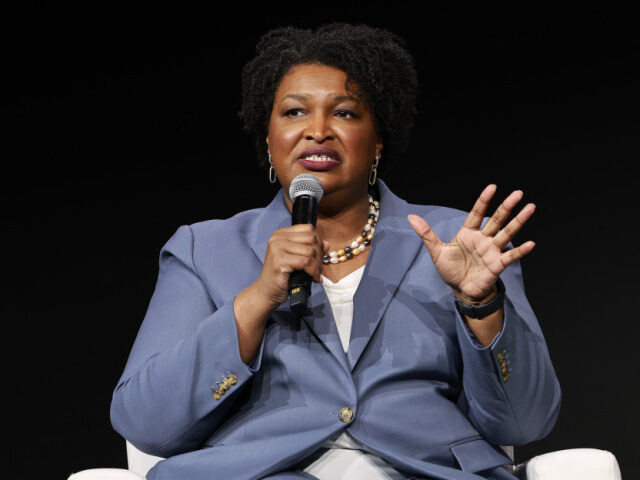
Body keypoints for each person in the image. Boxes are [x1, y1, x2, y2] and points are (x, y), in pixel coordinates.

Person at [110, 23, 561, 480]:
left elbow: (526, 420)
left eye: (344, 113)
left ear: (379, 139)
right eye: (293, 113)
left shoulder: (460, 240)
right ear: (268, 138)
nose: (317, 131)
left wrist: (480, 304)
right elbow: (144, 422)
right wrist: (256, 299)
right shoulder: (202, 249)